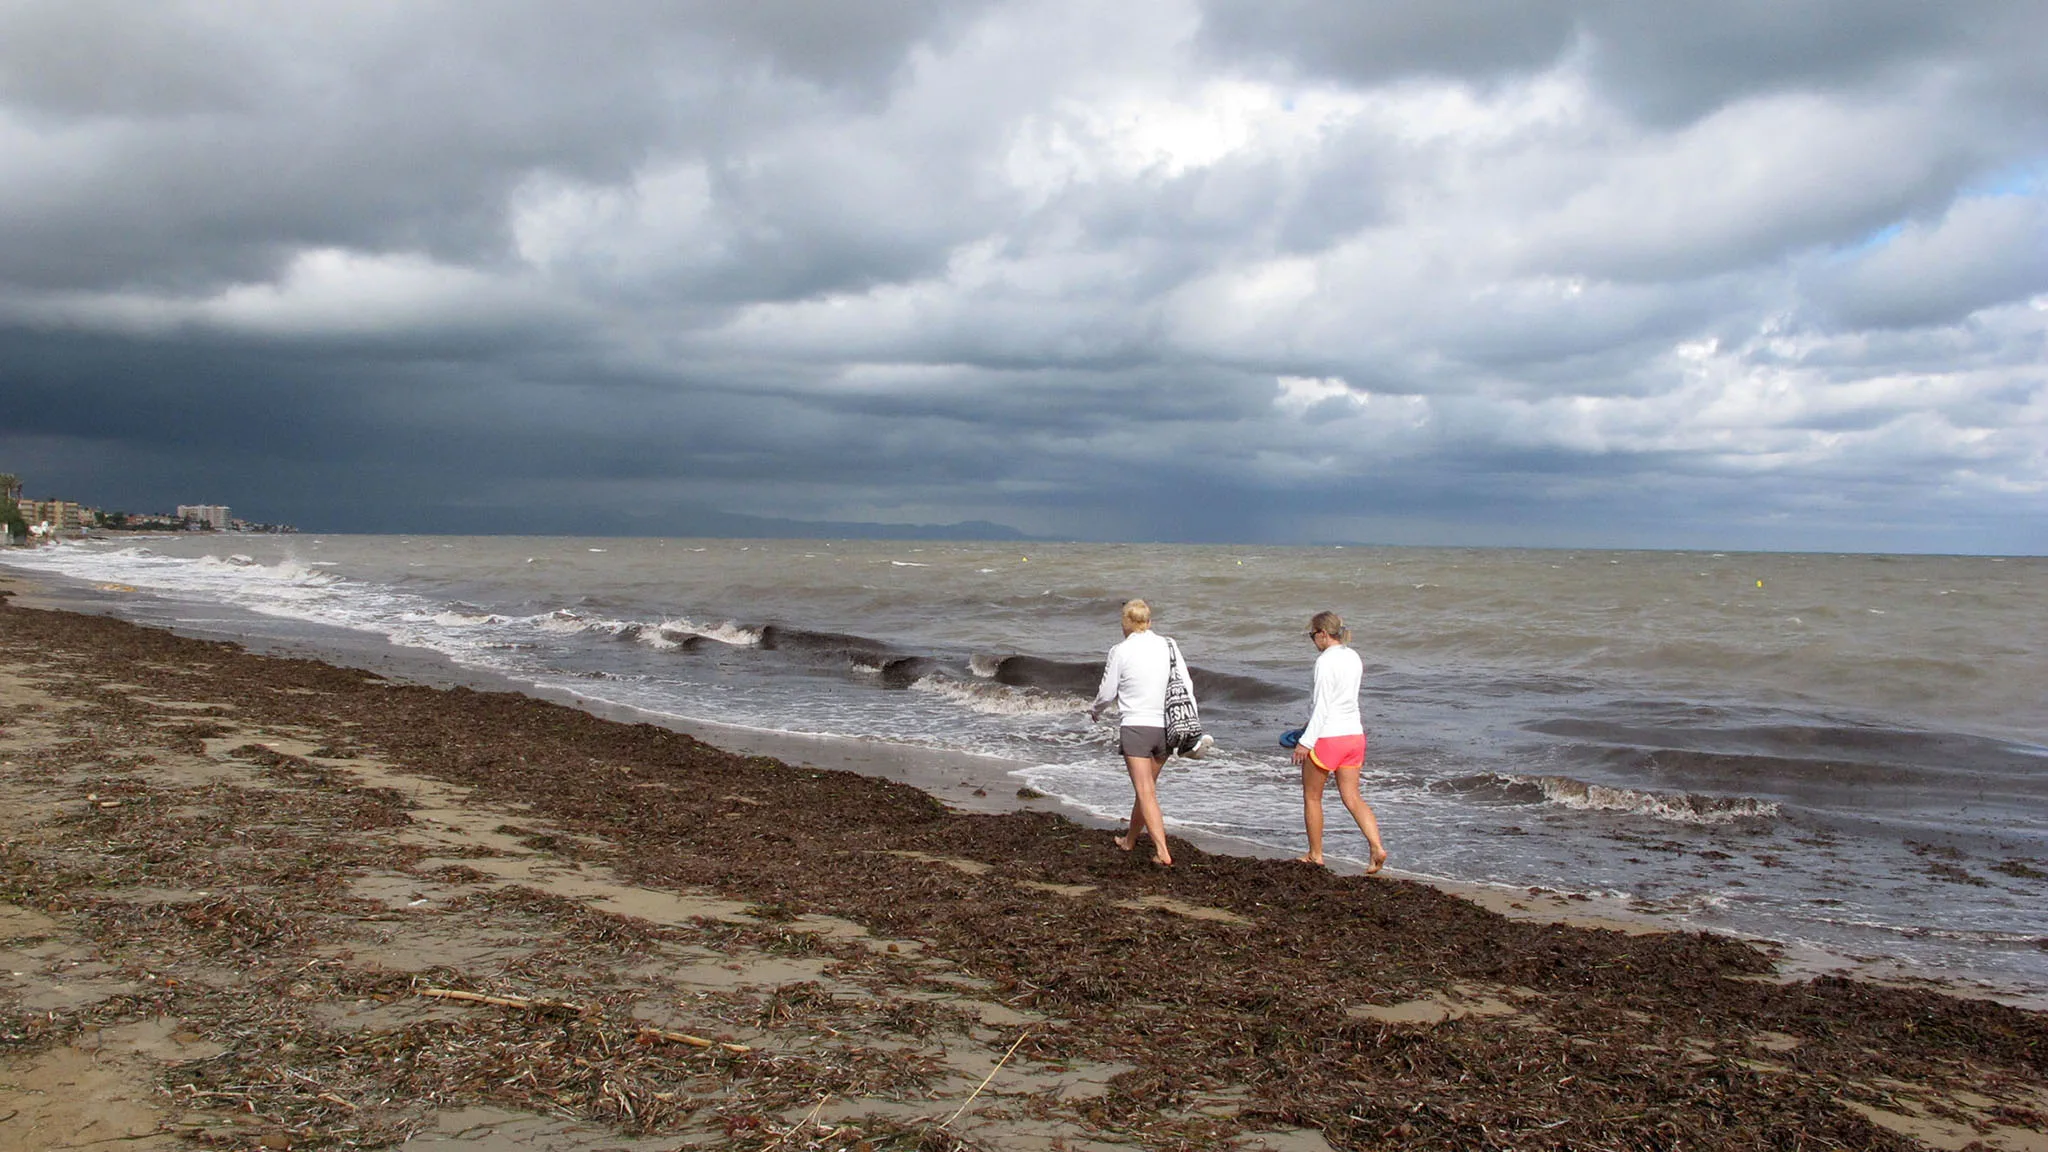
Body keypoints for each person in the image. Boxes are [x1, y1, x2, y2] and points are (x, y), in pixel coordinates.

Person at [1292, 610, 1388, 873]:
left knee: (1312, 797)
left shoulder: (1325, 662)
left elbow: (1322, 706)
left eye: (1313, 635)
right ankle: (1376, 846)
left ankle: (1315, 854)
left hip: (1327, 737)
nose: (1313, 641)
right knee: (1353, 797)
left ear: (1323, 633)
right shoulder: (1353, 656)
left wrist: (1305, 741)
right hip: (1354, 736)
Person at [1088, 598, 1178, 866]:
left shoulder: (1121, 650)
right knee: (1146, 789)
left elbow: (1107, 692)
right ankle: (1129, 839)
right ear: (1149, 622)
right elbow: (1184, 683)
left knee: (1145, 791)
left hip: (1137, 727)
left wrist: (1096, 711)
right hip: (1165, 727)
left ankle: (1162, 851)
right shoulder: (1169, 644)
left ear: (1125, 624)